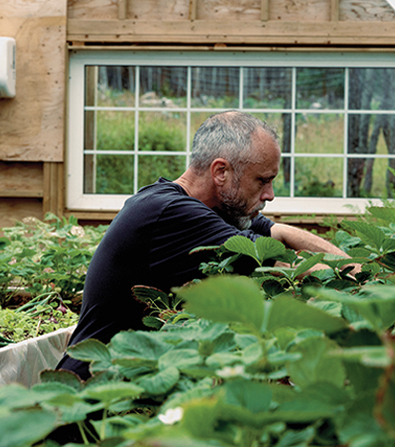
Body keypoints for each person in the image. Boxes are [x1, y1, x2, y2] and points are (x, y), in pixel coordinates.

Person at [56, 110, 357, 380]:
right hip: (92, 396)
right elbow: (283, 264)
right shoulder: (170, 212)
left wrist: (359, 271)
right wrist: (367, 306)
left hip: (137, 380)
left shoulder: (219, 210)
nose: (270, 194)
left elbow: (281, 234)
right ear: (221, 172)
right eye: (262, 180)